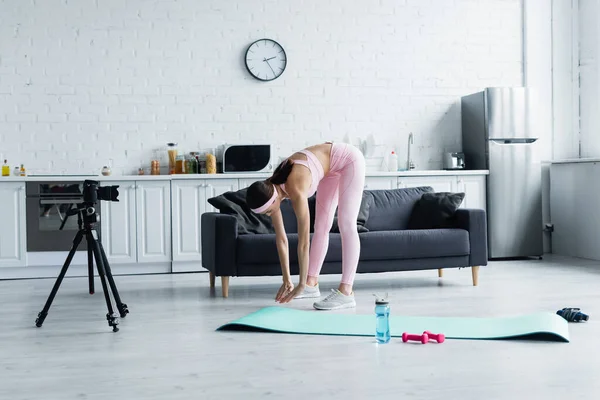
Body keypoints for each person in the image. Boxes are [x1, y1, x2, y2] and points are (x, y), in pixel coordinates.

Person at [245, 141, 366, 310]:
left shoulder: (295, 189)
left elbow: (303, 243)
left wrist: (299, 284)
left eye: (267, 212)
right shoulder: (271, 188)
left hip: (349, 160)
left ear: (273, 201)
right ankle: (311, 283)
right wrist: (286, 279)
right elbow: (281, 240)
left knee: (346, 223)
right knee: (321, 226)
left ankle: (346, 292)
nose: (269, 215)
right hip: (329, 170)